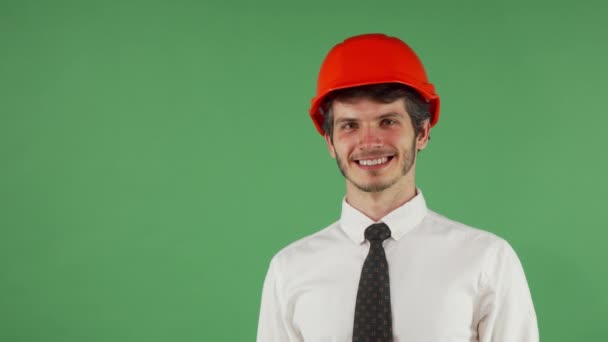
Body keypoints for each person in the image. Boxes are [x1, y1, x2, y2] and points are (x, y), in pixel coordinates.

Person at [256, 33, 538, 342]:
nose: (369, 142)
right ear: (330, 143)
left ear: (422, 132)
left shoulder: (487, 261)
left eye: (388, 121)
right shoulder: (289, 270)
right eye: (350, 125)